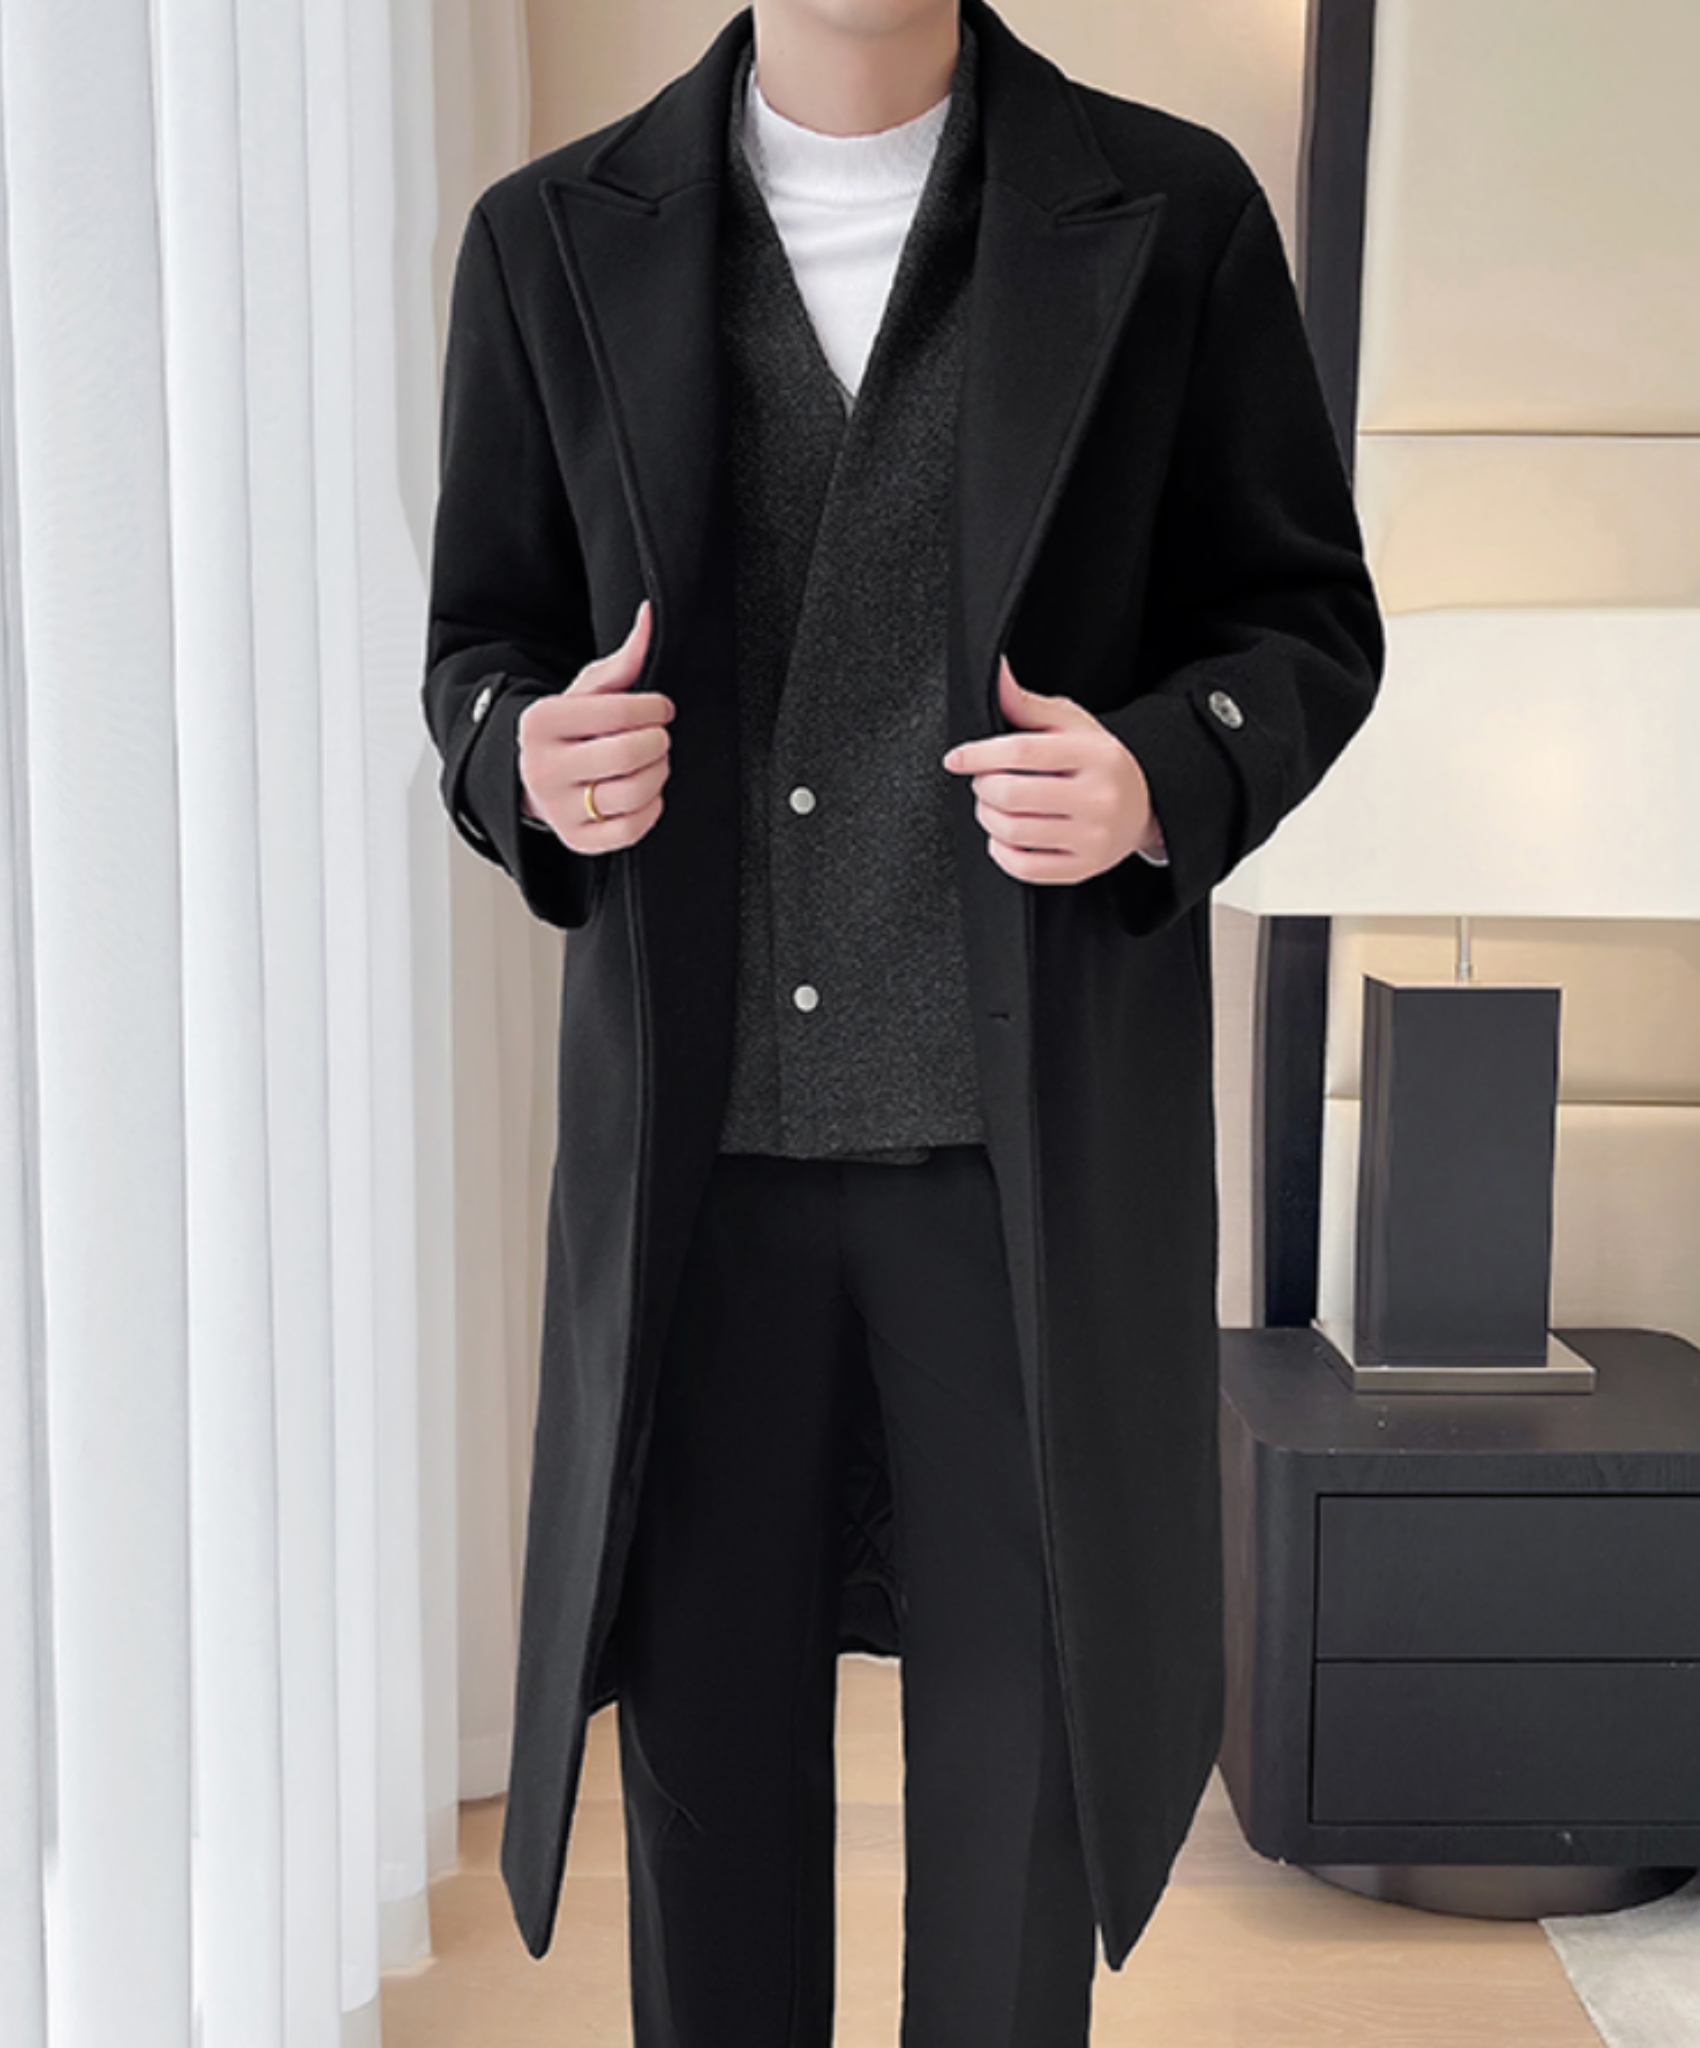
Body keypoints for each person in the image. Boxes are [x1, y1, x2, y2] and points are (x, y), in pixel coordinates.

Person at [422, 0, 1382, 2039]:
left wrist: (1157, 773)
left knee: (1026, 1782)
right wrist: (521, 757)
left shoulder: (1173, 212)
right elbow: (481, 647)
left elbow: (1304, 619)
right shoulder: (548, 236)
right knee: (703, 1787)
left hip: (1021, 1171)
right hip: (701, 1172)